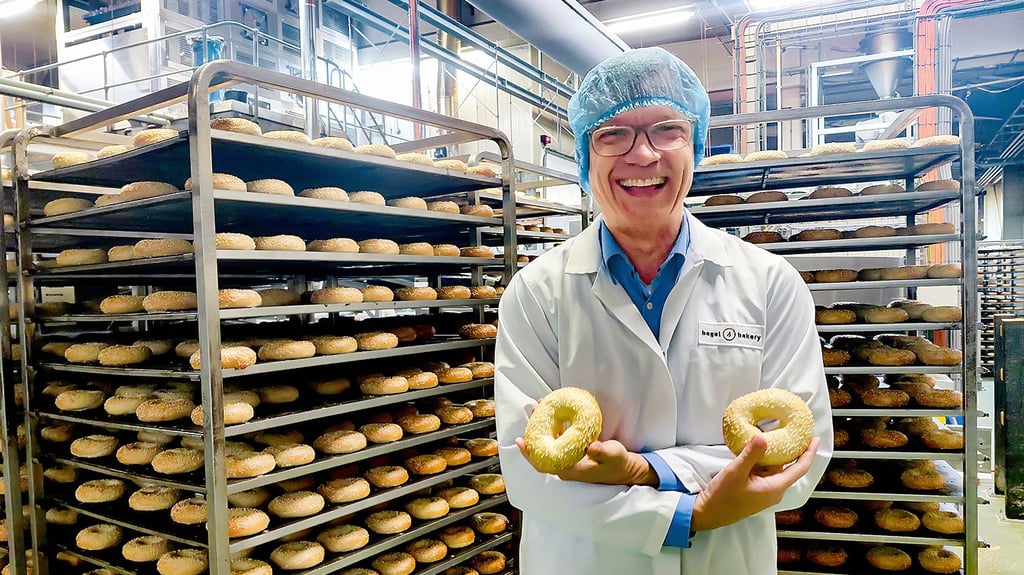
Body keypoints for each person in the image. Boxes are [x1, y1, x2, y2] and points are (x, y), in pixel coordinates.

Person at [494, 47, 833, 575]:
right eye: (612, 134)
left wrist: (641, 470)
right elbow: (528, 470)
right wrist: (691, 511)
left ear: (695, 146)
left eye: (666, 129)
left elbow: (799, 453)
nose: (642, 155)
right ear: (585, 155)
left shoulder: (770, 283)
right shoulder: (536, 292)